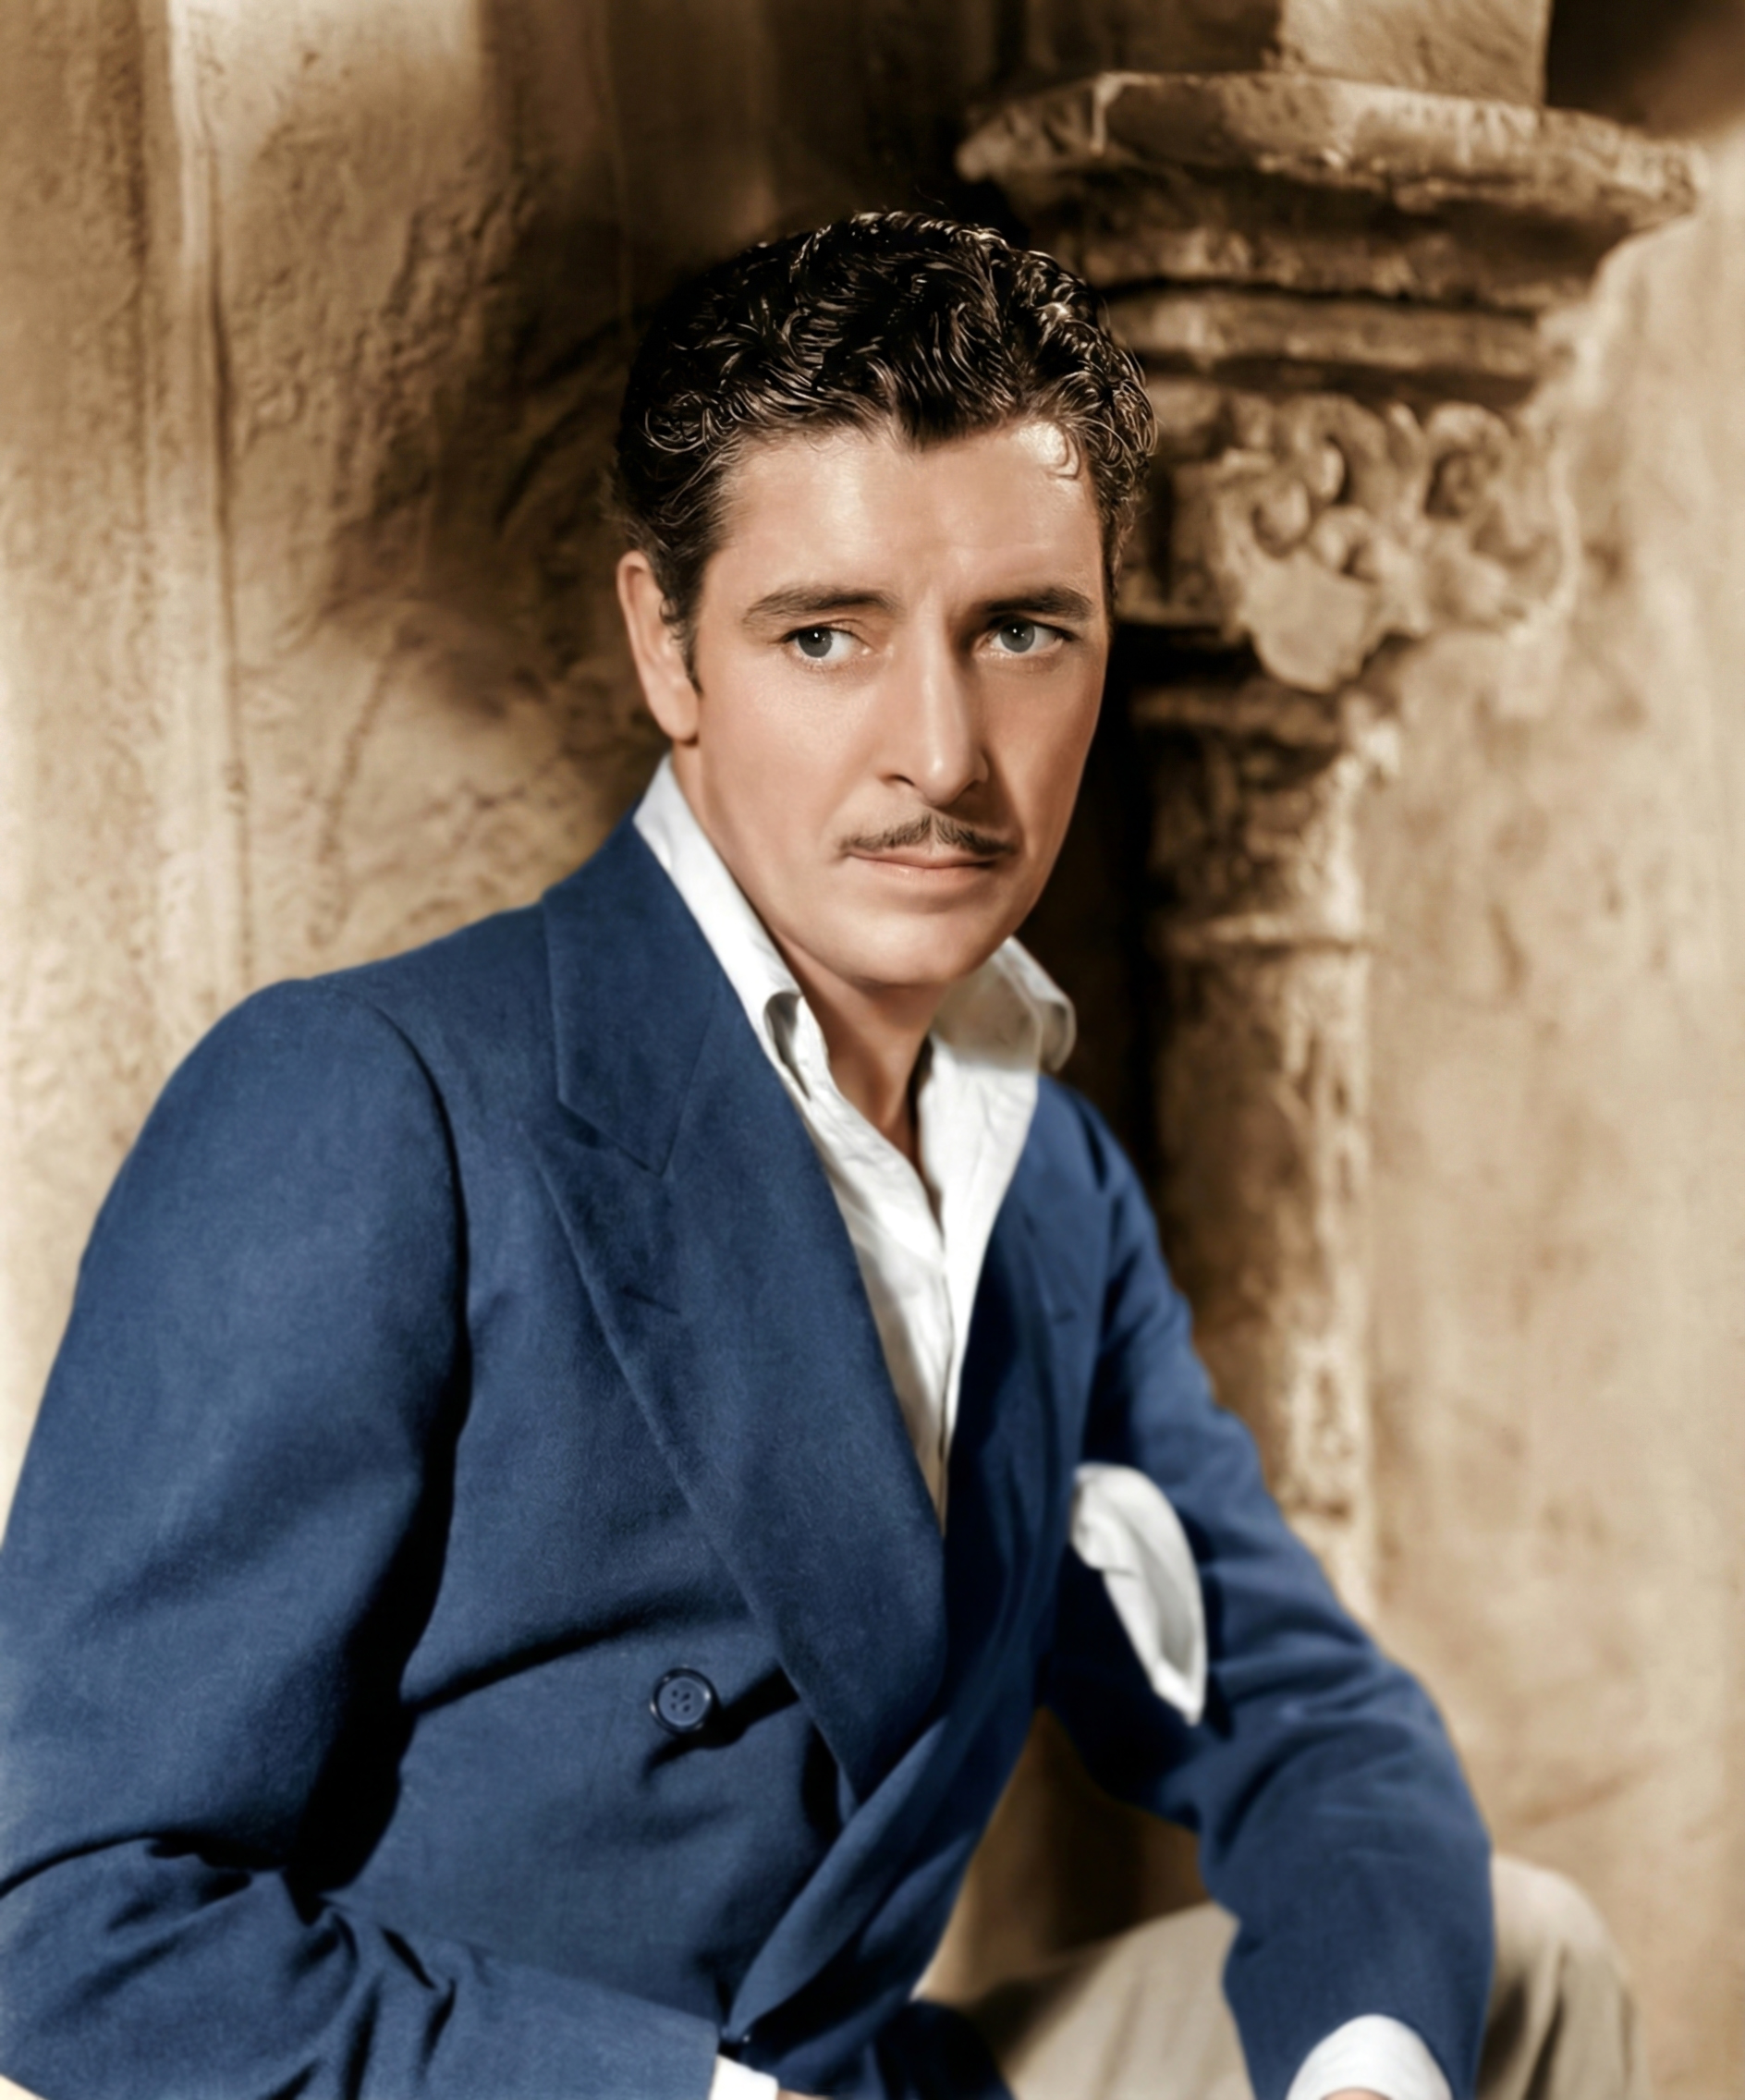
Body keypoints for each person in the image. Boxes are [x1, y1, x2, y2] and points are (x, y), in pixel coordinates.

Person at [0, 214, 1643, 2100]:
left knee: (1504, 1963)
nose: (939, 753)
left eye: (1020, 632)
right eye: (824, 636)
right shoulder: (366, 1100)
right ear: (668, 646)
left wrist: (1364, 2074)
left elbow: (1289, 1708)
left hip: (860, 2073)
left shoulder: (1045, 1179)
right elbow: (63, 1919)